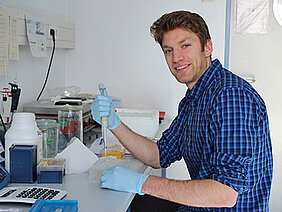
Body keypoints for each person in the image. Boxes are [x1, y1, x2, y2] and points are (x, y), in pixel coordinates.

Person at [91, 10, 273, 211]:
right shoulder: (195, 98)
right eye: (168, 50)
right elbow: (159, 155)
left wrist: (141, 183)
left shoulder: (231, 96)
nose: (176, 57)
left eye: (185, 45)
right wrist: (114, 122)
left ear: (207, 47)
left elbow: (225, 192)